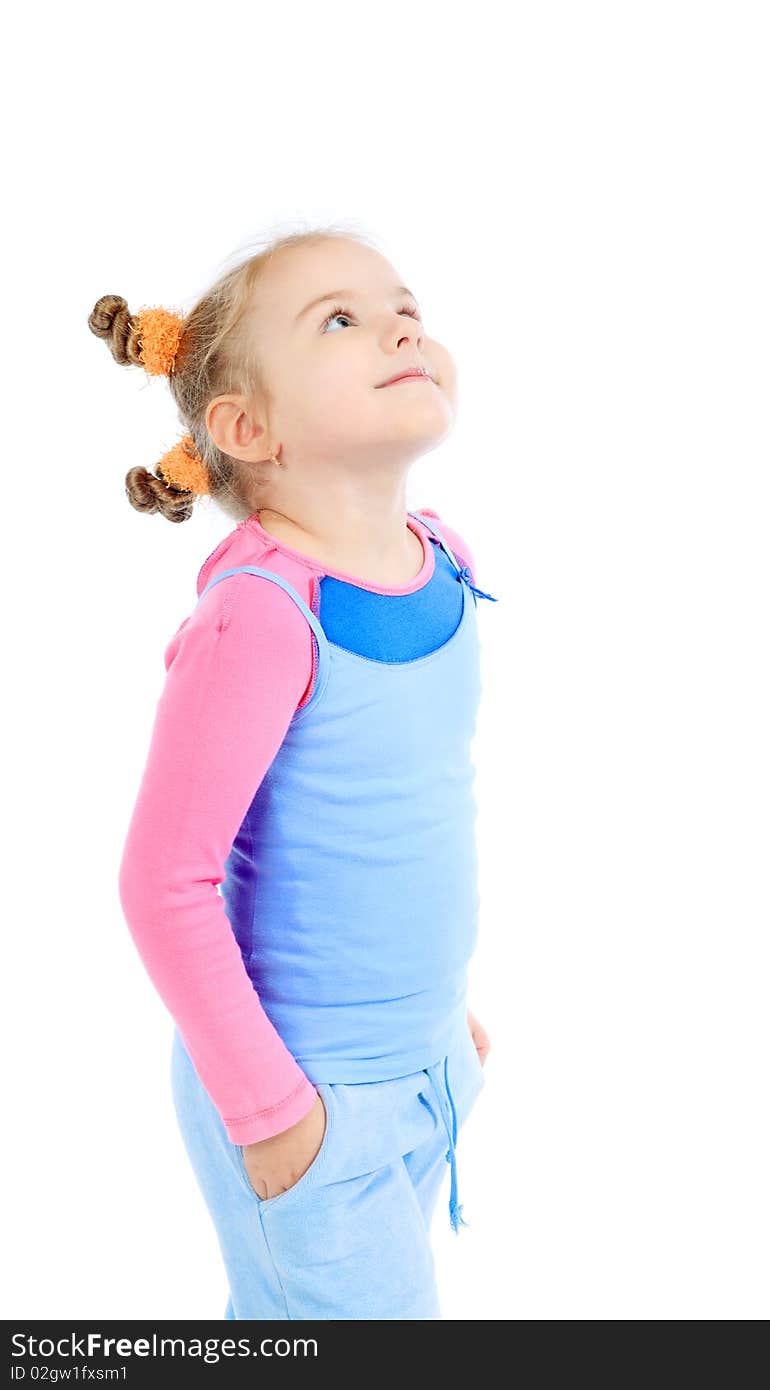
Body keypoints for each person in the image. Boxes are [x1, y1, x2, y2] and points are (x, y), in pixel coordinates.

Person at [89, 224, 498, 1320]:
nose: (401, 324)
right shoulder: (262, 617)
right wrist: (273, 1112)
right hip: (300, 1092)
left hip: (423, 1072)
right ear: (246, 428)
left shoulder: (444, 559)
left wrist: (441, 1021)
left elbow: (413, 809)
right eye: (341, 319)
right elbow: (161, 884)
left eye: (404, 304)